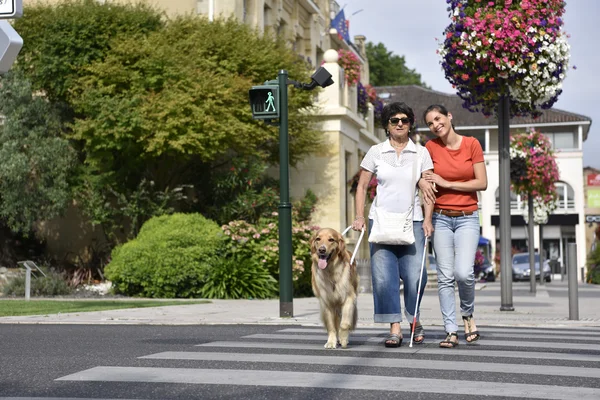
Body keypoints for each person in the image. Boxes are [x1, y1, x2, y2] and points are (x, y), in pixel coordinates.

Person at [352, 101, 434, 347]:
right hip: (381, 221)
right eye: (394, 120)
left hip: (414, 220)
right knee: (384, 277)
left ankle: (415, 319)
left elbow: (430, 190)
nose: (399, 124)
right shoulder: (376, 151)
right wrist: (358, 216)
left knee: (416, 275)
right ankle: (395, 328)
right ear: (387, 125)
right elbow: (362, 186)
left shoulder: (421, 153)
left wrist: (428, 219)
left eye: (404, 120)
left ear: (410, 124)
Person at [421, 104, 488, 348]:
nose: (435, 125)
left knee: (464, 273)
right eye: (430, 123)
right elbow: (425, 179)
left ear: (449, 117)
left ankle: (468, 314)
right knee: (445, 277)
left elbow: (482, 183)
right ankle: (451, 330)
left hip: (468, 217)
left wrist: (446, 182)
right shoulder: (430, 147)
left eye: (438, 119)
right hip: (440, 218)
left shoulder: (471, 144)